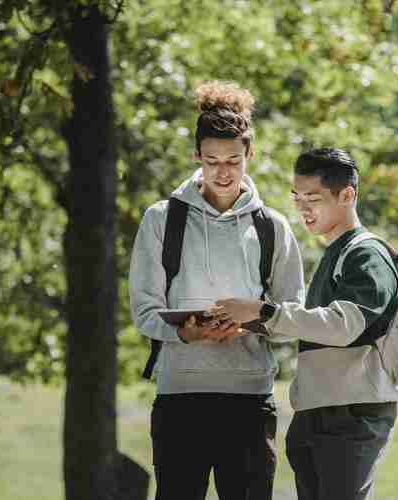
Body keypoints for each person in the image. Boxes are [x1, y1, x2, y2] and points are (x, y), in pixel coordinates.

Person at [128, 80, 305, 500]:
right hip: (179, 398)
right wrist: (187, 332)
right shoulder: (160, 221)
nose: (222, 172)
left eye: (233, 160)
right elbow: (144, 311)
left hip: (248, 400)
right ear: (197, 157)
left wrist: (252, 322)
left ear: (249, 156)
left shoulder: (272, 228)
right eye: (211, 160)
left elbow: (293, 312)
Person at [216, 147, 398, 500]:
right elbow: (312, 326)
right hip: (319, 411)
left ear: (347, 195)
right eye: (297, 198)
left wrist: (264, 311)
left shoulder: (366, 254)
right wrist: (247, 322)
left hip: (351, 414)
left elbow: (345, 325)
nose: (302, 208)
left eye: (313, 198)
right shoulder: (337, 251)